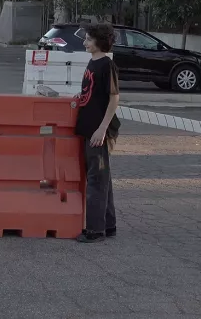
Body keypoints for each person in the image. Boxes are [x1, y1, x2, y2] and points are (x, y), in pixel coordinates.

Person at [74, 22, 121, 243]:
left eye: (89, 39)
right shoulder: (93, 63)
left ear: (99, 42)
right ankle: (108, 225)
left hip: (98, 131)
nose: (85, 42)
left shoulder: (106, 65)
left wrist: (102, 129)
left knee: (96, 180)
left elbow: (114, 98)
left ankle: (95, 231)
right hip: (89, 127)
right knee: (103, 179)